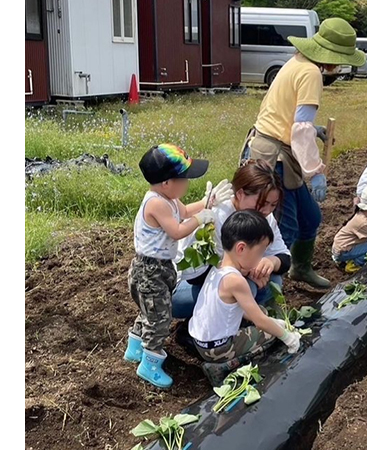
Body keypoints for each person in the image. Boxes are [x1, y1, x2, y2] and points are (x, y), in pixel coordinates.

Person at [241, 17, 366, 289]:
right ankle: (266, 291)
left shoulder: (298, 62)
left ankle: (300, 268)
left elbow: (289, 116)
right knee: (284, 229)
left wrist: (314, 129)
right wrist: (315, 172)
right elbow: (299, 128)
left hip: (277, 146)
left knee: (311, 218)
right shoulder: (311, 73)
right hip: (275, 158)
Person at [123, 144, 233, 389]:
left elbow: (183, 211)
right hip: (149, 271)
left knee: (151, 309)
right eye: (183, 178)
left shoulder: (169, 199)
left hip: (159, 269)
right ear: (166, 183)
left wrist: (207, 202)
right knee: (160, 318)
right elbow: (177, 229)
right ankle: (149, 364)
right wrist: (200, 219)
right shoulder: (157, 204)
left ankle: (134, 348)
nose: (187, 183)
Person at [189, 210, 302, 385]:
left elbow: (241, 310)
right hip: (218, 348)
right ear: (241, 248)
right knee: (270, 334)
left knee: (264, 313)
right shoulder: (235, 281)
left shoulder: (217, 266)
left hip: (201, 341)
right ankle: (223, 366)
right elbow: (260, 322)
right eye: (260, 252)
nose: (260, 258)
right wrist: (287, 336)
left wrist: (269, 319)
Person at [172, 160, 291, 318]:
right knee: (245, 288)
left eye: (273, 205)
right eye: (262, 203)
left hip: (220, 283)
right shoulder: (218, 215)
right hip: (180, 289)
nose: (267, 210)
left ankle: (233, 321)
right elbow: (200, 276)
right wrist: (249, 271)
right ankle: (202, 329)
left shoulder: (264, 218)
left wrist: (270, 262)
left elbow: (284, 256)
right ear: (240, 194)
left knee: (273, 279)